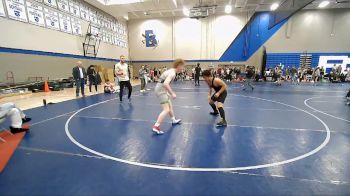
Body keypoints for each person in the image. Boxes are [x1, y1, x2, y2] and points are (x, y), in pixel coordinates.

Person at [152, 59, 184, 135]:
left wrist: (167, 92)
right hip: (160, 91)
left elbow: (162, 82)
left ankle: (173, 120)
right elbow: (165, 84)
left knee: (170, 105)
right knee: (166, 109)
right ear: (178, 66)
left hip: (161, 89)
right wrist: (172, 93)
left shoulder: (171, 70)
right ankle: (156, 126)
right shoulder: (172, 73)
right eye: (182, 67)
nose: (183, 69)